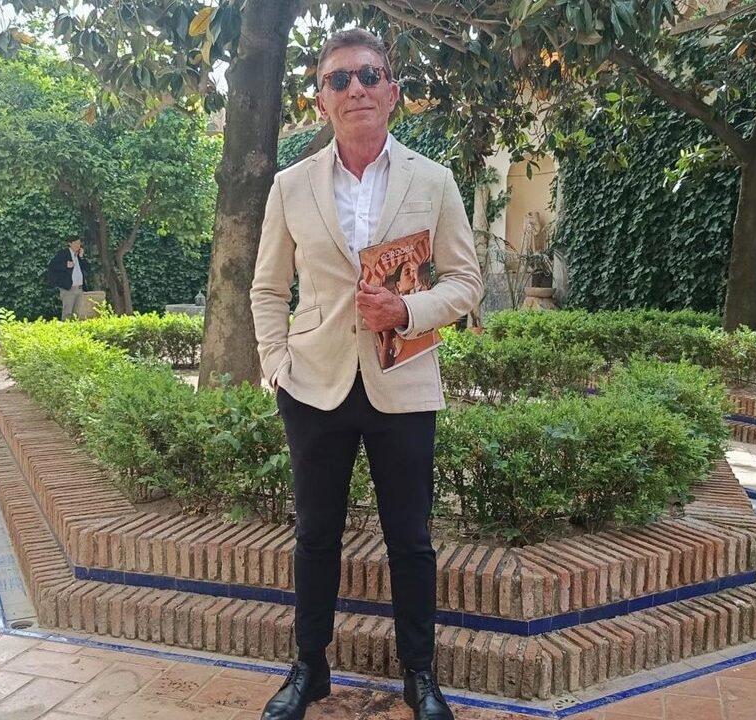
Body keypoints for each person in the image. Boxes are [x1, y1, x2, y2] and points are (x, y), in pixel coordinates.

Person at [250, 28, 483, 720]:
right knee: (315, 536)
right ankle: (309, 668)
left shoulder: (433, 181)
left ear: (391, 92)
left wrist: (407, 309)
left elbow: (466, 283)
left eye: (368, 75)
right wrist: (276, 366)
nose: (355, 88)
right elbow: (268, 288)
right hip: (313, 386)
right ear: (321, 99)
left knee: (410, 540)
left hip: (403, 387)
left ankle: (420, 675)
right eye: (339, 79)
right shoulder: (290, 186)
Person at [46, 238, 89, 320]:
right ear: (70, 243)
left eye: (79, 243)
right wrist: (65, 265)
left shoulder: (79, 256)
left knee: (78, 313)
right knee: (68, 313)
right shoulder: (63, 254)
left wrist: (82, 257)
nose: (78, 245)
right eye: (76, 243)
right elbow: (52, 266)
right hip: (69, 289)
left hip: (80, 288)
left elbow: (87, 268)